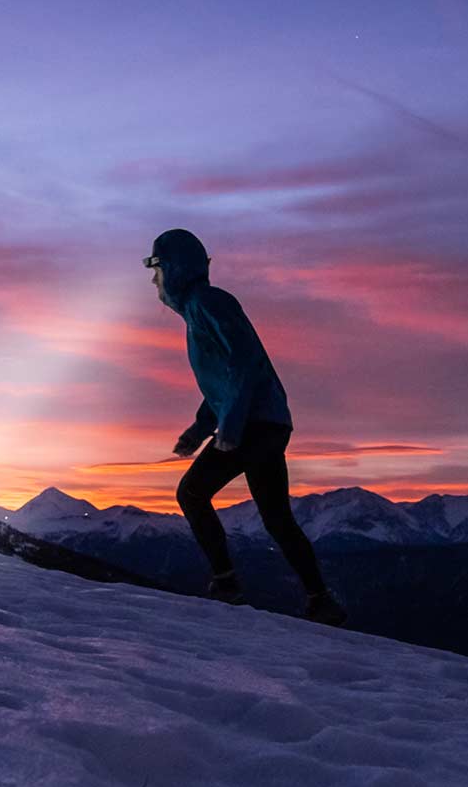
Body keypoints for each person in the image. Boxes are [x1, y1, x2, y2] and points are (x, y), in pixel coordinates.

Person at [144, 229, 348, 626]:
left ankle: (226, 584)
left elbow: (243, 362)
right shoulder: (202, 309)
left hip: (254, 424)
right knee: (276, 518)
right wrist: (200, 428)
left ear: (174, 269)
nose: (154, 281)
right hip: (268, 423)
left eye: (157, 269)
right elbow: (224, 382)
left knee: (191, 492)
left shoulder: (207, 303)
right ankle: (320, 599)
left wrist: (231, 427)